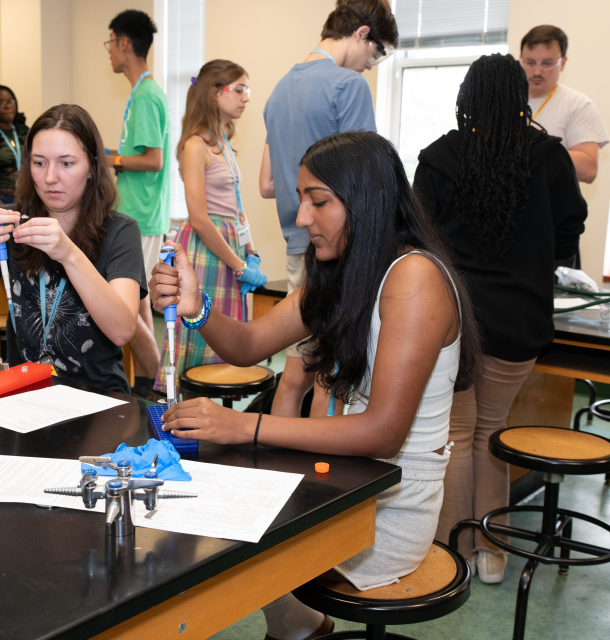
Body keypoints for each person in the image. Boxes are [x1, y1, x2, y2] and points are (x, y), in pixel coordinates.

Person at [151, 130, 479, 638]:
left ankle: (296, 626)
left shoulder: (414, 277)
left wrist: (246, 426)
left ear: (365, 201)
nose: (302, 217)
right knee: (212, 509)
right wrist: (197, 309)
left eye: (318, 201)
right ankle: (297, 626)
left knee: (228, 535)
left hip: (390, 506)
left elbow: (383, 432)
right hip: (354, 478)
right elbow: (248, 344)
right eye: (301, 199)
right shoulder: (348, 270)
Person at [414, 54, 587, 583]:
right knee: (492, 431)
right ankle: (493, 552)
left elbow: (419, 238)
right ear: (520, 98)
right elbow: (568, 233)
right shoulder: (549, 157)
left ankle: (454, 551)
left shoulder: (439, 157)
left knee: (457, 434)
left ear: (466, 97)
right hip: (519, 320)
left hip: (454, 319)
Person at [0, 104, 146, 394]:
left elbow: (122, 331)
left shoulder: (120, 231)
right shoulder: (10, 224)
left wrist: (69, 254)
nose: (50, 177)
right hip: (23, 392)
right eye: (39, 163)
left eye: (66, 163)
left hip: (97, 397)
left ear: (92, 167)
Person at [261, 0, 398, 418]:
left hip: (297, 245)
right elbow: (367, 180)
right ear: (361, 33)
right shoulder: (347, 85)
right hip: (338, 251)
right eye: (375, 53)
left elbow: (268, 184)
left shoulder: (278, 91)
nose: (370, 65)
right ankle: (318, 459)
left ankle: (278, 453)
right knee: (330, 374)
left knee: (297, 371)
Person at [151, 60, 267, 392]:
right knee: (199, 335)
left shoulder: (224, 141)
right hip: (207, 249)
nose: (246, 97)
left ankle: (214, 412)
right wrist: (239, 264)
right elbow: (199, 219)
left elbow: (236, 206)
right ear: (215, 93)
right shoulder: (194, 145)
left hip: (228, 246)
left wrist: (251, 252)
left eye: (247, 89)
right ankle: (184, 411)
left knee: (225, 337)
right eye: (239, 89)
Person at [104, 9, 170, 398]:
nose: (109, 52)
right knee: (140, 306)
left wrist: (111, 160)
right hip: (139, 211)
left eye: (110, 43)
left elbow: (153, 160)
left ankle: (157, 386)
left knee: (129, 308)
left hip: (140, 215)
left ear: (124, 43)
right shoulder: (143, 92)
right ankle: (149, 384)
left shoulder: (146, 95)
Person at [520, 25, 608, 186]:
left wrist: (532, 151)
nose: (537, 71)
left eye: (547, 63)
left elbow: (589, 169)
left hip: (550, 201)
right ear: (521, 59)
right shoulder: (500, 101)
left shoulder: (578, 105)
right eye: (530, 62)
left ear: (563, 62)